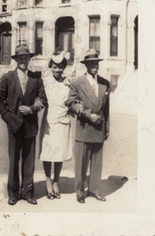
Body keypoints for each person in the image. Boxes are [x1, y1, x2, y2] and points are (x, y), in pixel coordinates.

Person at [0, 44, 47, 206]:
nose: (23, 60)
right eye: (20, 58)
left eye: (26, 57)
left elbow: (42, 99)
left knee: (29, 161)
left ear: (29, 59)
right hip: (14, 126)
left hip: (30, 125)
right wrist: (9, 118)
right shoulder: (7, 78)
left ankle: (28, 192)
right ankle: (13, 193)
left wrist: (31, 109)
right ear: (16, 60)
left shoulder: (36, 78)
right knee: (14, 160)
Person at [66, 48, 110, 204]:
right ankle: (79, 191)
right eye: (92, 64)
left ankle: (94, 190)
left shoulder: (105, 83)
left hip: (99, 126)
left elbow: (106, 109)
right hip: (85, 127)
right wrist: (87, 115)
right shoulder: (77, 83)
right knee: (81, 163)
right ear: (86, 65)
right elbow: (70, 104)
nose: (95, 67)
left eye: (96, 63)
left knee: (97, 162)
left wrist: (106, 128)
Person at [39, 52, 72, 200]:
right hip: (49, 121)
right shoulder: (45, 82)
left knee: (59, 153)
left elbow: (74, 99)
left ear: (64, 68)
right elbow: (39, 97)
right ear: (51, 68)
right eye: (55, 67)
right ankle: (47, 179)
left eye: (60, 67)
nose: (58, 70)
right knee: (48, 151)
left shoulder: (68, 83)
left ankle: (56, 180)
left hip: (63, 121)